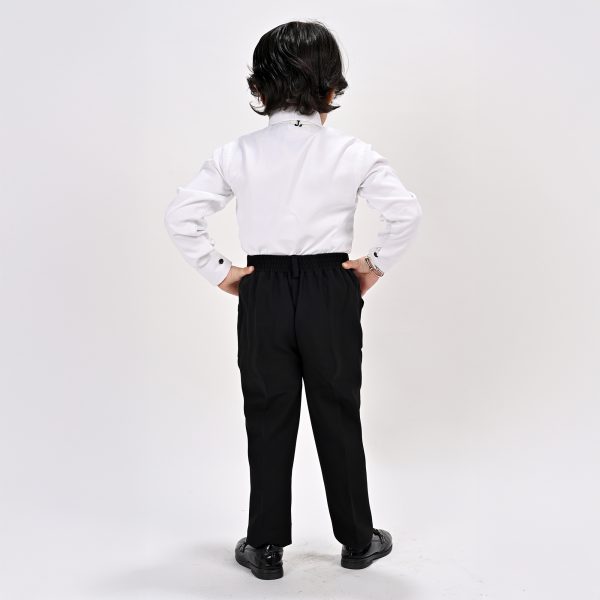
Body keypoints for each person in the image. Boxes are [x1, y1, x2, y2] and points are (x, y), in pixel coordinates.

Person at [164, 20, 422, 580]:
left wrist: (221, 272)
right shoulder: (353, 152)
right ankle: (358, 540)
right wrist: (373, 265)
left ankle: (264, 546)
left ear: (259, 87)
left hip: (264, 287)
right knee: (338, 410)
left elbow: (181, 216)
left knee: (268, 412)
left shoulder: (236, 153)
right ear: (332, 87)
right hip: (332, 286)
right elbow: (406, 212)